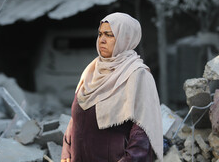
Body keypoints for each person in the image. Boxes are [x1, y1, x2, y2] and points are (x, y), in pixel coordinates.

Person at [61, 12, 163, 162]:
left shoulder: (137, 75)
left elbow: (143, 132)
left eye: (109, 35)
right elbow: (76, 118)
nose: (102, 40)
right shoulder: (92, 70)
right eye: (100, 34)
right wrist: (67, 151)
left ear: (125, 38)